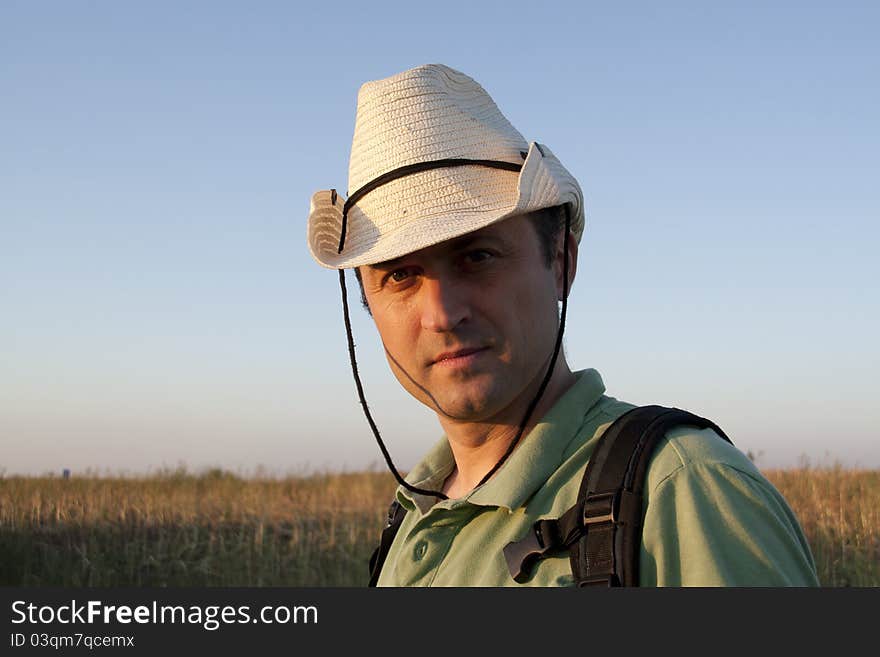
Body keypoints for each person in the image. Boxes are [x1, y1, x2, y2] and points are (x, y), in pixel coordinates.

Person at [306, 63, 819, 587]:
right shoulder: (413, 514)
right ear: (366, 304)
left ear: (561, 261)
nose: (441, 313)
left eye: (477, 256)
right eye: (400, 275)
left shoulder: (684, 494)